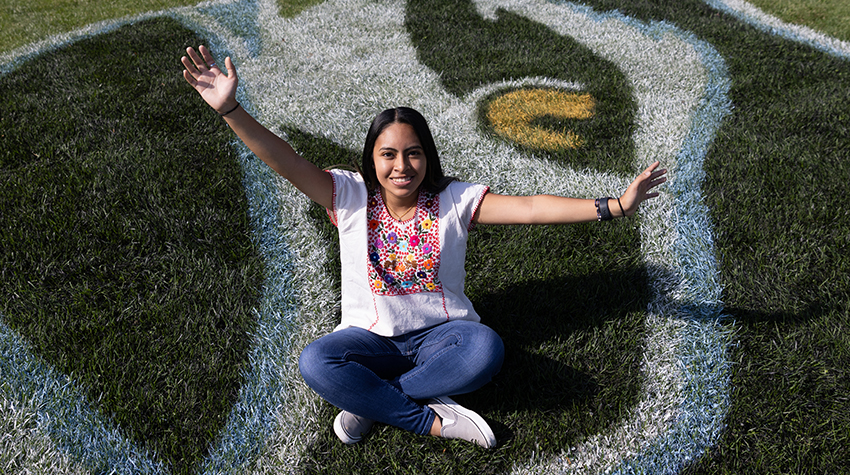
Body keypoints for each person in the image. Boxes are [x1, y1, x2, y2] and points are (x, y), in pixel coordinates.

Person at [181, 45, 667, 449]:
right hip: (369, 340)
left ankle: (371, 402)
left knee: (485, 350)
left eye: (413, 153)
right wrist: (229, 109)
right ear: (371, 160)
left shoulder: (453, 199)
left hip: (443, 338)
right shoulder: (347, 195)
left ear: (427, 156)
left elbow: (533, 208)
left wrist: (616, 206)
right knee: (317, 361)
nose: (401, 165)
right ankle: (432, 420)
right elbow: (284, 159)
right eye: (387, 154)